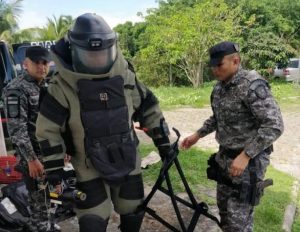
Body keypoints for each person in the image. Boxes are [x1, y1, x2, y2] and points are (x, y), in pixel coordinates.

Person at [35, 13, 171, 232]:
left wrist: (164, 144)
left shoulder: (125, 76)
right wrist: (54, 169)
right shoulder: (61, 86)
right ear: (75, 51)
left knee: (133, 209)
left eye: (102, 54)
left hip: (128, 159)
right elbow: (47, 131)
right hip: (88, 165)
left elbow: (149, 108)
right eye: (90, 55)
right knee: (93, 219)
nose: (97, 60)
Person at [181, 41, 284, 232]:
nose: (214, 70)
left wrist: (246, 155)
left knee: (239, 221)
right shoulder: (219, 88)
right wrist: (197, 135)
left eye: (219, 65)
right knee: (226, 214)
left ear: (235, 61)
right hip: (225, 159)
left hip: (248, 163)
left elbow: (274, 125)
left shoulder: (252, 86)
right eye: (212, 65)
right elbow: (218, 118)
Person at [2, 46, 60, 231]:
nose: (42, 67)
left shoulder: (45, 85)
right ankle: (40, 227)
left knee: (48, 196)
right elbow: (17, 130)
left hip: (47, 153)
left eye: (45, 63)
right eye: (37, 63)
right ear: (25, 64)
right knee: (39, 200)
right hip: (33, 157)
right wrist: (32, 160)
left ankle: (46, 224)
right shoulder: (16, 89)